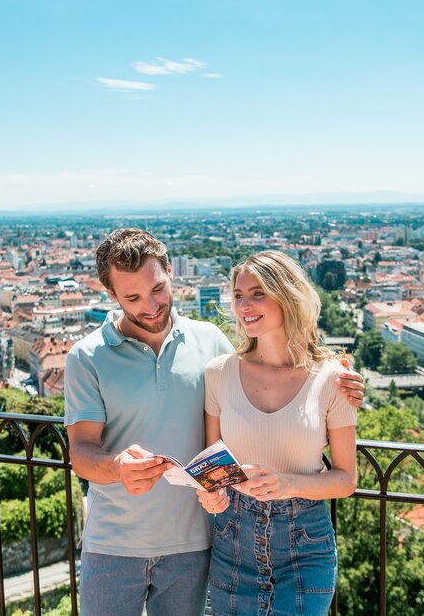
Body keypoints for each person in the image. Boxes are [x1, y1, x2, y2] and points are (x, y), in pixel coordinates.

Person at [65, 229, 364, 616]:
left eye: (157, 289)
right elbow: (81, 452)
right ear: (112, 296)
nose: (151, 306)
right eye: (133, 298)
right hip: (115, 544)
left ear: (171, 272)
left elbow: (271, 361)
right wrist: (116, 467)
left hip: (197, 544)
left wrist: (345, 382)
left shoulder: (210, 344)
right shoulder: (86, 356)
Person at [197, 250, 358, 616]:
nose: (244, 305)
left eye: (258, 293)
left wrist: (288, 485)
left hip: (305, 545)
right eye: (238, 295)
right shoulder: (218, 374)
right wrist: (212, 496)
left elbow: (346, 479)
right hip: (232, 540)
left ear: (285, 295)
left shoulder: (333, 379)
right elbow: (212, 471)